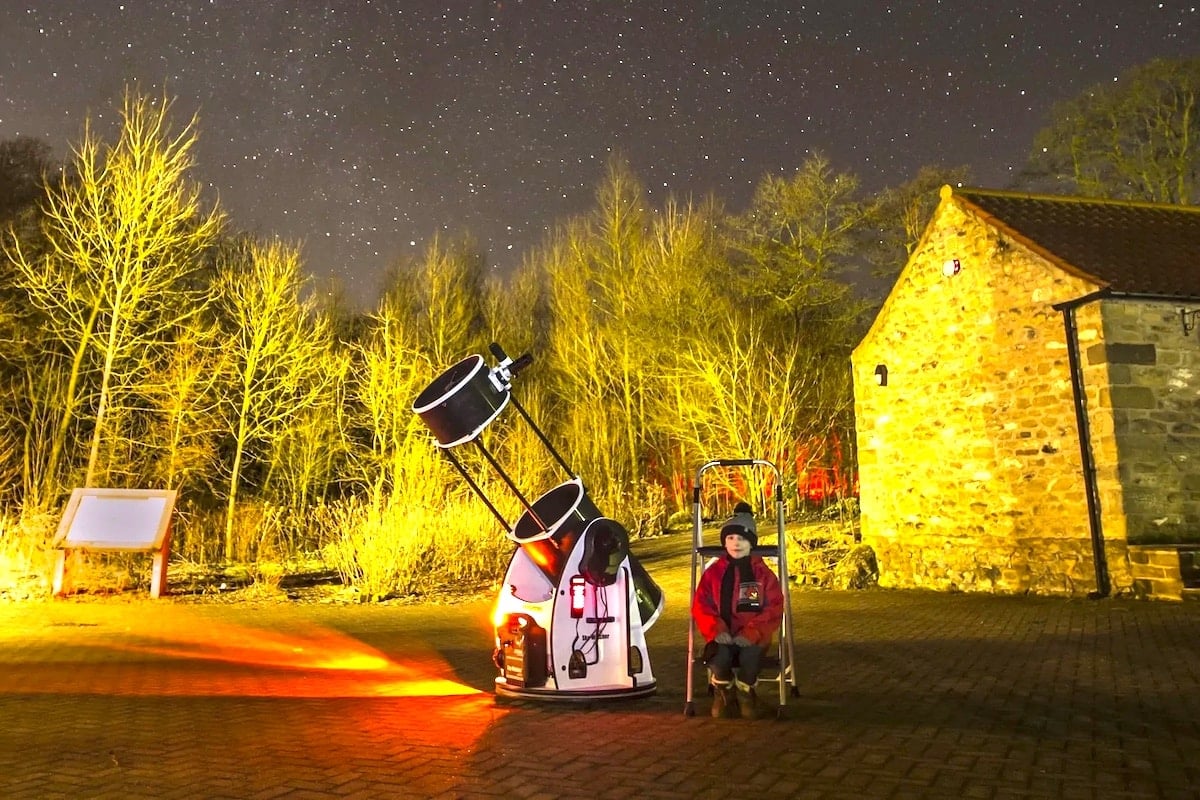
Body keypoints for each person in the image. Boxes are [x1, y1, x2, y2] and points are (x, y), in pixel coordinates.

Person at [691, 501, 784, 719]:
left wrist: (752, 632)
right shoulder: (713, 573)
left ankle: (745, 693)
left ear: (752, 543)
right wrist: (715, 629)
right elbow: (701, 605)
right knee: (718, 658)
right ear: (724, 542)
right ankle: (724, 692)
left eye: (742, 538)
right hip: (721, 633)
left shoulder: (763, 574)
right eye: (731, 538)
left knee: (750, 658)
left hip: (753, 635)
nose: (736, 543)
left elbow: (774, 607)